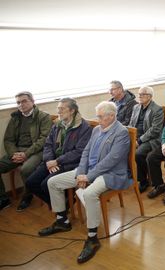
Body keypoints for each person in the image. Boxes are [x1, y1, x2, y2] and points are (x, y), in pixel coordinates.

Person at [38, 101, 130, 264]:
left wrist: (88, 177)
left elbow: (111, 160)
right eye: (98, 116)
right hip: (87, 171)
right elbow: (86, 153)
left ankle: (93, 238)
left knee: (89, 193)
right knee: (53, 182)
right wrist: (81, 173)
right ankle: (62, 221)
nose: (98, 119)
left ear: (112, 116)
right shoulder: (96, 129)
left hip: (110, 174)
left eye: (101, 117)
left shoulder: (121, 132)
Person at [25, 98, 92, 208]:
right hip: (52, 161)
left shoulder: (84, 128)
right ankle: (61, 205)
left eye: (62, 109)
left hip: (68, 163)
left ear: (72, 111)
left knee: (46, 184)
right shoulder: (57, 124)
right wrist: (49, 160)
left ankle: (61, 210)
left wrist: (57, 161)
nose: (59, 112)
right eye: (58, 109)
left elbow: (79, 152)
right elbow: (48, 144)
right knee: (30, 183)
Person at [0, 91, 52, 211]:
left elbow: (44, 139)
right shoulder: (15, 118)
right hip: (18, 151)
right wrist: (14, 154)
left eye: (24, 101)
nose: (21, 105)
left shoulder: (43, 117)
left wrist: (26, 154)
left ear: (33, 102)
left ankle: (27, 196)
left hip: (36, 151)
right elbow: (8, 140)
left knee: (26, 169)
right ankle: (3, 198)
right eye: (18, 102)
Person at [128, 86, 164, 193]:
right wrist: (129, 136)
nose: (139, 96)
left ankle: (143, 181)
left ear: (150, 96)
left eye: (142, 94)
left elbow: (155, 130)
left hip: (150, 139)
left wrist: (139, 141)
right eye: (139, 94)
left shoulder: (157, 109)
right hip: (136, 136)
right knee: (119, 148)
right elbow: (131, 124)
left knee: (138, 154)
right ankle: (127, 176)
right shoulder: (136, 107)